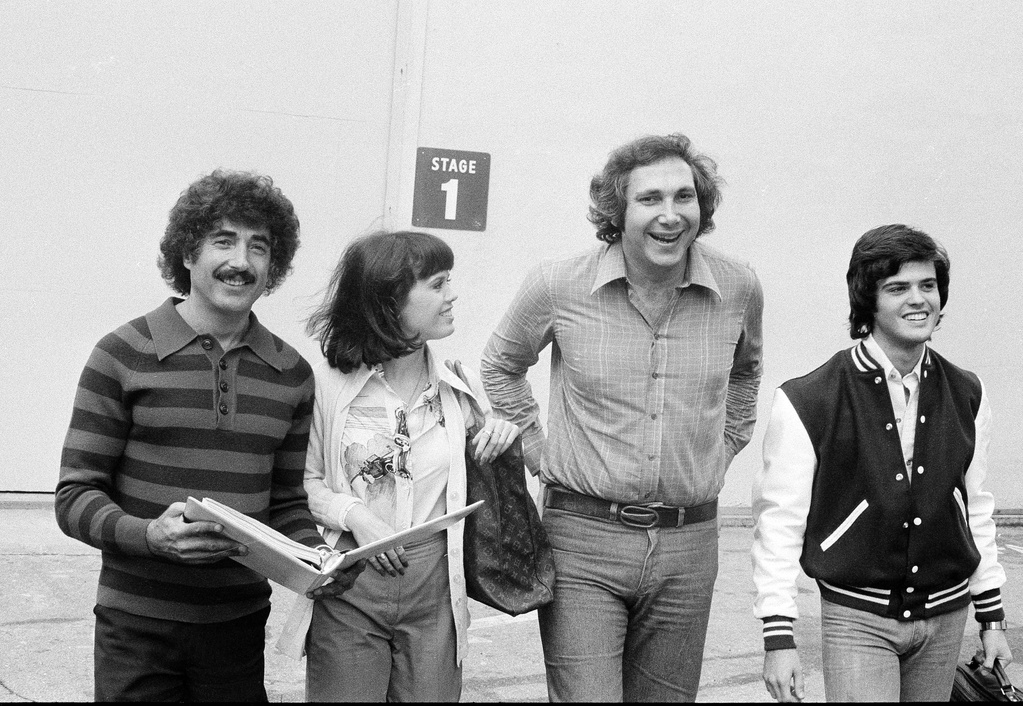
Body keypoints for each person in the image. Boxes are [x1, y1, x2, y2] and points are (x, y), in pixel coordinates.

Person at [55, 169, 363, 702]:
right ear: (186, 254)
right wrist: (149, 535)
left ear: (274, 266)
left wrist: (318, 559)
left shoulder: (290, 373)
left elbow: (286, 502)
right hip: (136, 627)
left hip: (238, 628)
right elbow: (74, 495)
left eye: (258, 247)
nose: (241, 261)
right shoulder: (121, 353)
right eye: (224, 240)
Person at [480, 133, 764, 702]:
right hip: (581, 538)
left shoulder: (737, 287)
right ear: (618, 210)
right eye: (650, 199)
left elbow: (746, 373)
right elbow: (500, 367)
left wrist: (724, 445)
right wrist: (540, 453)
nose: (670, 215)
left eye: (685, 197)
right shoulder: (559, 284)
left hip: (689, 545)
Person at [751, 224, 1013, 702]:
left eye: (928, 285)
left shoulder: (967, 393)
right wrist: (778, 637)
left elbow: (975, 508)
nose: (919, 300)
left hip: (946, 615)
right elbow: (779, 523)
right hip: (857, 620)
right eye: (898, 288)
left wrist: (991, 619)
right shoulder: (808, 399)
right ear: (867, 300)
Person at [287, 230, 519, 702]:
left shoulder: (461, 388)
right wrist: (359, 517)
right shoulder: (328, 387)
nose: (451, 295)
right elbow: (303, 483)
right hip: (351, 582)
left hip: (435, 585)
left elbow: (488, 483)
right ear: (389, 300)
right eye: (436, 284)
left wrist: (501, 436)